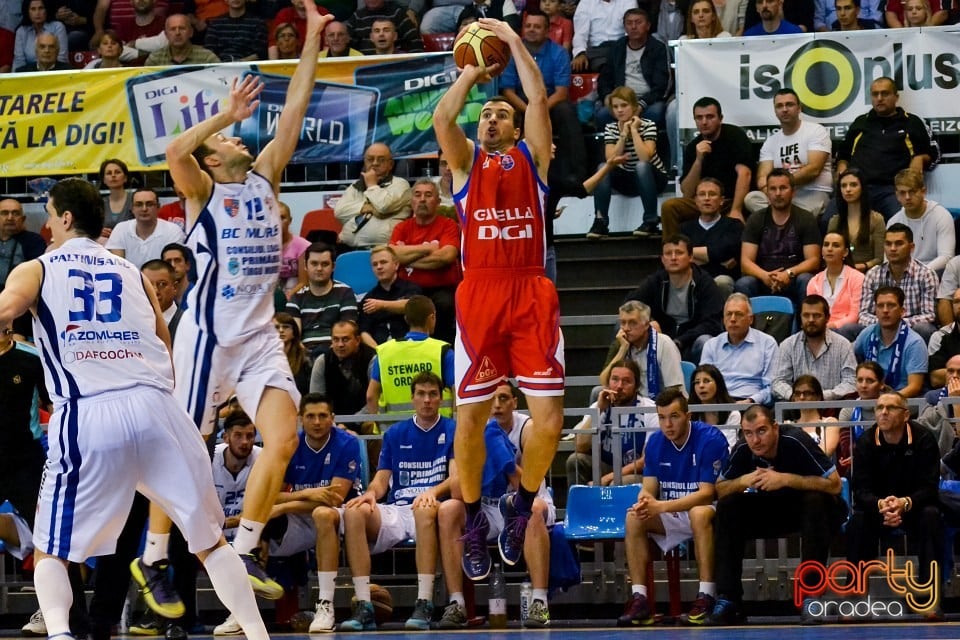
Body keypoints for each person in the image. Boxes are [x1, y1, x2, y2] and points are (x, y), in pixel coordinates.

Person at [0, 177, 272, 640]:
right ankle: (256, 633)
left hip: (89, 411)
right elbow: (165, 345)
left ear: (65, 218)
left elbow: (5, 313)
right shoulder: (133, 272)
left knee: (51, 547)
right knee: (211, 541)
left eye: (47, 214)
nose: (44, 224)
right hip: (158, 407)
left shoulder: (36, 268)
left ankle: (61, 635)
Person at [133, 0, 332, 607]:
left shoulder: (264, 176)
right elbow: (174, 153)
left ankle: (244, 548)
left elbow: (295, 109)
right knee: (186, 449)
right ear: (215, 159)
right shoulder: (202, 191)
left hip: (259, 338)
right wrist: (220, 114)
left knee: (285, 439)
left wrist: (313, 41)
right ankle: (155, 558)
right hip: (208, 337)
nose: (237, 137)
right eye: (224, 139)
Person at [434, 16, 566, 577]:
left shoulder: (532, 161)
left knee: (551, 421)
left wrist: (512, 41)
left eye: (500, 114)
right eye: (486, 114)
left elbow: (538, 97)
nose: (490, 118)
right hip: (481, 295)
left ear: (516, 129)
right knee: (469, 419)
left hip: (530, 289)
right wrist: (469, 73)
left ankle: (519, 502)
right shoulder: (465, 164)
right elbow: (443, 118)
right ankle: (469, 519)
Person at [708, 405, 846, 625]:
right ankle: (729, 598)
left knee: (816, 501)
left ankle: (811, 595)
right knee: (728, 505)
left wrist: (785, 479)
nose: (755, 439)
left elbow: (834, 485)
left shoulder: (796, 440)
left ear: (775, 427)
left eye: (761, 431)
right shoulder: (744, 448)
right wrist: (743, 481)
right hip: (769, 510)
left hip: (806, 510)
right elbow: (720, 488)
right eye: (749, 433)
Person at [339, 371, 455, 631]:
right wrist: (369, 493)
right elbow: (382, 480)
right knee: (354, 512)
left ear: (441, 399)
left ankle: (424, 602)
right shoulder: (395, 434)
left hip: (431, 507)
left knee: (424, 509)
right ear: (412, 398)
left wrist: (433, 492)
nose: (427, 400)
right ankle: (364, 606)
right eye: (421, 394)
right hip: (398, 508)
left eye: (433, 394)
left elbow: (456, 478)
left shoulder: (452, 429)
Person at [619, 389, 730, 627]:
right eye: (661, 417)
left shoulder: (710, 439)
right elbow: (648, 488)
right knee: (633, 517)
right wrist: (644, 502)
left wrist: (660, 506)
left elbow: (707, 493)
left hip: (711, 511)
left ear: (688, 416)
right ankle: (640, 599)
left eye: (674, 416)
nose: (667, 424)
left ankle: (707, 595)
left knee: (698, 513)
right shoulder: (656, 441)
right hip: (672, 510)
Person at [258, 394, 361, 633]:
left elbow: (334, 498)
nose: (317, 422)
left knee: (323, 513)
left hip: (342, 516)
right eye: (310, 416)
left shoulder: (347, 443)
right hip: (301, 518)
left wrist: (285, 505)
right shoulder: (290, 445)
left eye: (323, 416)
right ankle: (239, 610)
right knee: (256, 524)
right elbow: (268, 495)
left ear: (332, 419)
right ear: (300, 419)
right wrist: (309, 494)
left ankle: (325, 605)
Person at [848, 391, 942, 593]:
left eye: (890, 408)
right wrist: (881, 505)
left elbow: (930, 487)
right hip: (878, 510)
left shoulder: (924, 439)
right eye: (879, 408)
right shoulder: (865, 441)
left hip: (914, 508)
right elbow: (860, 489)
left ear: (905, 415)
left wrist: (904, 503)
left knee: (931, 516)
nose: (883, 413)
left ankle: (930, 596)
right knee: (858, 521)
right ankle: (853, 595)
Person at [437, 397, 519, 624]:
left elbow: (523, 486)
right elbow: (456, 490)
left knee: (533, 509)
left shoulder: (520, 428)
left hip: (510, 505)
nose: (496, 405)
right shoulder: (461, 434)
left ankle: (537, 602)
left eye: (502, 399)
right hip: (479, 508)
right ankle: (456, 603)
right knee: (448, 509)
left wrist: (505, 460)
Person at [499, 9, 586, 214]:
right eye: (528, 26)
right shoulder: (512, 53)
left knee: (566, 111)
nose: (531, 30)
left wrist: (539, 109)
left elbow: (562, 92)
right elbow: (508, 91)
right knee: (502, 110)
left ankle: (577, 174)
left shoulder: (559, 53)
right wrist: (530, 110)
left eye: (537, 27)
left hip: (550, 104)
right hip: (520, 103)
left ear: (548, 31)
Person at [835, 77, 934, 219]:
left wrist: (920, 158)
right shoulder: (861, 122)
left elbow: (932, 154)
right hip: (859, 187)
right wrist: (842, 170)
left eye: (885, 94)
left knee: (900, 221)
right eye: (875, 94)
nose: (879, 98)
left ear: (896, 97)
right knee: (829, 219)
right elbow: (843, 155)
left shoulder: (911, 122)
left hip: (893, 189)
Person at [660, 97, 753, 238]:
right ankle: (674, 253)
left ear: (720, 118)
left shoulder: (735, 136)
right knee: (669, 207)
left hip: (729, 200)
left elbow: (744, 174)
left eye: (709, 117)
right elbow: (687, 192)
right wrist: (698, 160)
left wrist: (736, 210)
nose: (704, 122)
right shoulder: (692, 147)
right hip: (703, 201)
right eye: (699, 118)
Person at [623, 234, 724, 363]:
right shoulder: (656, 280)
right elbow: (630, 304)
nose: (673, 258)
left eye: (679, 253)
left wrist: (680, 341)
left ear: (691, 257)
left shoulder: (704, 283)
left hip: (691, 342)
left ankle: (700, 381)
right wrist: (648, 321)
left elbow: (712, 324)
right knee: (624, 326)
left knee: (706, 341)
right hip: (661, 341)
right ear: (662, 259)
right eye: (668, 254)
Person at [585, 86, 668, 239]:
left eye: (624, 105)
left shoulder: (648, 125)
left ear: (634, 106)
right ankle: (600, 221)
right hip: (627, 178)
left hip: (653, 178)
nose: (620, 110)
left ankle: (650, 220)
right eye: (615, 107)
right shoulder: (611, 128)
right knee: (603, 167)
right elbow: (611, 160)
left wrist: (635, 131)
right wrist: (623, 134)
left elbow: (644, 157)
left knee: (641, 166)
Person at [388, 179, 460, 344]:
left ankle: (442, 352)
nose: (422, 199)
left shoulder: (448, 225)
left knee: (443, 305)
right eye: (417, 195)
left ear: (438, 201)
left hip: (441, 289)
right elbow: (391, 257)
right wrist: (428, 249)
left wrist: (406, 258)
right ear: (411, 201)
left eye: (428, 195)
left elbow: (445, 257)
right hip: (406, 287)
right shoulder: (402, 228)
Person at [736, 169, 822, 306]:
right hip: (763, 278)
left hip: (793, 279)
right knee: (744, 283)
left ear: (793, 192)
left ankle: (803, 325)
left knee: (806, 280)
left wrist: (789, 273)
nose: (777, 193)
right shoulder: (756, 219)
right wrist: (765, 276)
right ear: (767, 192)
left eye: (783, 188)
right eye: (773, 189)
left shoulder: (806, 218)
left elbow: (813, 260)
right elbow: (745, 262)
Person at [567, 359, 657, 487]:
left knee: (618, 482)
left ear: (636, 385)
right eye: (615, 379)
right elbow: (580, 446)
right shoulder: (598, 406)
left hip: (637, 472)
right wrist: (599, 410)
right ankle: (581, 505)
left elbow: (646, 461)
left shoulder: (649, 409)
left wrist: (607, 478)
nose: (619, 386)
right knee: (575, 461)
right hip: (606, 466)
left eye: (626, 381)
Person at [744, 89, 832, 218]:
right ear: (775, 111)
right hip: (780, 195)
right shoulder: (771, 141)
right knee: (751, 199)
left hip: (812, 192)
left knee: (803, 215)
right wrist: (772, 192)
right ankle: (785, 218)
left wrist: (781, 185)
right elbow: (762, 177)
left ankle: (781, 218)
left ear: (799, 108)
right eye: (779, 106)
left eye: (789, 104)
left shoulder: (816, 131)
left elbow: (814, 169)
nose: (784, 109)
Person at [366, 294, 455, 416]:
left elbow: (371, 396)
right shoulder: (443, 351)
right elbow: (458, 392)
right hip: (437, 429)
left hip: (393, 430)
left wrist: (376, 424)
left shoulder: (384, 352)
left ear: (406, 319)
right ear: (432, 317)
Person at [848, 224, 938, 343]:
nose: (893, 248)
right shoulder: (873, 274)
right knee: (848, 329)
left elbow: (929, 315)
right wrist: (885, 324)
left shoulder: (926, 274)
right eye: (888, 244)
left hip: (912, 330)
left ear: (911, 247)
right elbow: (864, 314)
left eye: (899, 243)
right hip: (879, 327)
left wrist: (896, 324)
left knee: (924, 329)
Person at [771, 294, 857, 401]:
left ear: (827, 318)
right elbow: (778, 381)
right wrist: (795, 396)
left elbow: (851, 382)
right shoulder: (788, 345)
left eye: (816, 315)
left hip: (832, 406)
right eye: (806, 315)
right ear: (800, 317)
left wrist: (822, 397)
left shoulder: (843, 345)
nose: (811, 320)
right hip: (797, 407)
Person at [597, 9, 670, 130]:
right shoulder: (617, 48)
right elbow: (604, 79)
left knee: (655, 114)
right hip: (621, 99)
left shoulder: (658, 48)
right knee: (602, 115)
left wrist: (641, 104)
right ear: (624, 27)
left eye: (638, 22)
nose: (633, 27)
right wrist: (607, 96)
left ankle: (649, 148)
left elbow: (661, 86)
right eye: (629, 23)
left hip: (648, 101)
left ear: (648, 26)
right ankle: (612, 148)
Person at [700, 293, 779, 405]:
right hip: (719, 405)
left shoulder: (767, 343)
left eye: (738, 314)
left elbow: (771, 387)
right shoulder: (711, 345)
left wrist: (751, 401)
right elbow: (703, 382)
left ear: (750, 319)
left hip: (752, 404)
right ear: (723, 319)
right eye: (729, 314)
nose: (732, 319)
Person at [286, 242, 359, 357]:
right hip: (305, 355)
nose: (319, 268)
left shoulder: (345, 292)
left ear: (333, 267)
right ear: (305, 265)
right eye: (314, 264)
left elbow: (348, 331)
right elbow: (295, 336)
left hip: (336, 353)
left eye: (325, 264)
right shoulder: (296, 298)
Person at [853, 286, 928, 398]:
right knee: (846, 412)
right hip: (869, 397)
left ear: (902, 311)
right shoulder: (867, 333)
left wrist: (886, 401)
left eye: (891, 305)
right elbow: (850, 358)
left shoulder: (915, 343)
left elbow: (914, 387)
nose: (885, 310)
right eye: (880, 306)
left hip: (902, 400)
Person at [601, 299, 686, 398]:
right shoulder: (621, 343)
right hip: (634, 403)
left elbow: (674, 388)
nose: (626, 328)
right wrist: (623, 349)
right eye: (623, 323)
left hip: (663, 403)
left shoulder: (664, 343)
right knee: (598, 393)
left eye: (632, 323)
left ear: (646, 325)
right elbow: (604, 381)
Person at [334, 142, 412, 250]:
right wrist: (367, 207)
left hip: (386, 250)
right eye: (370, 159)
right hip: (349, 248)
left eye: (381, 160)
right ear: (365, 162)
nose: (375, 163)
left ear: (391, 165)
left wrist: (372, 185)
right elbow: (339, 212)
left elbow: (384, 206)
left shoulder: (400, 184)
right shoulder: (356, 186)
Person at [680, 178, 744, 299]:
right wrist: (717, 259)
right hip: (694, 279)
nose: (707, 198)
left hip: (723, 280)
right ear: (696, 200)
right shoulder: (685, 228)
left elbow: (724, 251)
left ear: (721, 200)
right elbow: (680, 258)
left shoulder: (734, 225)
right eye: (702, 194)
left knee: (722, 282)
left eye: (712, 194)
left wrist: (691, 254)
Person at [887, 168, 955, 274]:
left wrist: (919, 273)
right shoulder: (893, 221)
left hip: (935, 272)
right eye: (902, 193)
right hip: (903, 273)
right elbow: (888, 259)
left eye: (912, 192)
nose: (908, 197)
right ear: (897, 196)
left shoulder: (942, 216)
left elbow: (946, 257)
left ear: (923, 191)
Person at [0, 198, 45, 338]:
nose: (10, 218)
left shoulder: (34, 241)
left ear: (23, 218)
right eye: (4, 213)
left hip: (21, 302)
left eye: (15, 213)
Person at [106, 188, 185, 268]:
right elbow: (118, 267)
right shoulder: (120, 229)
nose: (144, 209)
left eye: (149, 204)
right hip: (129, 279)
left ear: (158, 207)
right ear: (132, 209)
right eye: (139, 204)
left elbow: (173, 268)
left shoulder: (173, 231)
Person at [310, 319, 375, 415]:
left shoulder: (372, 360)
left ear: (357, 340)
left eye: (345, 339)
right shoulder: (322, 361)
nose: (340, 344)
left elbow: (375, 400)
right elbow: (316, 402)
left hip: (365, 420)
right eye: (336, 339)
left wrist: (352, 422)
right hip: (331, 423)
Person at [359, 244, 420, 346]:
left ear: (396, 265)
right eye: (375, 264)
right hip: (379, 350)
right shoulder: (369, 298)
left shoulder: (411, 288)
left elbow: (412, 306)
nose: (379, 267)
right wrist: (379, 351)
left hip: (409, 347)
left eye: (383, 262)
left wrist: (382, 305)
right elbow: (364, 332)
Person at [826, 168, 885, 273]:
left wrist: (862, 266)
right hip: (841, 273)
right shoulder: (834, 221)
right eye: (843, 186)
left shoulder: (876, 219)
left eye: (853, 185)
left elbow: (879, 259)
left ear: (862, 188)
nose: (848, 189)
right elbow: (829, 254)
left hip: (868, 274)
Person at [836, 360, 887, 476]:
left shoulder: (891, 408)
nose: (863, 385)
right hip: (860, 465)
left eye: (870, 381)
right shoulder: (847, 411)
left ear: (881, 383)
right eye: (860, 380)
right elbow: (846, 448)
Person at [806, 231, 865, 330]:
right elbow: (811, 313)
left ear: (845, 252)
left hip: (845, 331)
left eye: (835, 245)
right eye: (826, 245)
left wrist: (831, 326)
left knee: (847, 329)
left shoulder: (858, 278)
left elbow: (855, 316)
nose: (829, 249)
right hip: (819, 330)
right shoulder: (814, 282)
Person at [570, 0, 637, 71]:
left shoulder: (629, 1)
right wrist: (580, 53)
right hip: (595, 51)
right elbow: (580, 33)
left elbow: (631, 32)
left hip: (621, 48)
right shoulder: (586, 2)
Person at [784, 375, 840, 457]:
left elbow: (825, 453)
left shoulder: (830, 422)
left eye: (807, 393)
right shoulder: (787, 425)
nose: (801, 397)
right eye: (797, 393)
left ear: (818, 397)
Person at [343, 0, 422, 55]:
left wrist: (416, 66)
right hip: (364, 69)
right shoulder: (356, 17)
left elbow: (415, 41)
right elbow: (346, 46)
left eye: (386, 30)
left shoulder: (398, 14)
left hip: (395, 66)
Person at [689, 363, 740, 446]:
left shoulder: (732, 414)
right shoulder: (689, 414)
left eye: (706, 381)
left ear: (718, 384)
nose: (701, 386)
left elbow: (731, 446)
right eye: (697, 382)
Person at [12, 0, 67, 72]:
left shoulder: (58, 27)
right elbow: (19, 61)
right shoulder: (21, 31)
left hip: (56, 73)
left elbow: (61, 58)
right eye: (33, 9)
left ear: (46, 9)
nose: (37, 13)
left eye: (41, 8)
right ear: (27, 11)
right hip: (29, 75)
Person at [144, 13, 219, 65]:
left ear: (191, 33)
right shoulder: (155, 59)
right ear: (166, 35)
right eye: (173, 29)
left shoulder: (207, 58)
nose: (177, 33)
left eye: (182, 28)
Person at [274, 312, 312, 395]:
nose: (281, 330)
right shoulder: (264, 359)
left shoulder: (305, 358)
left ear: (294, 332)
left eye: (286, 327)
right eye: (276, 327)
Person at [929, 288, 960, 388]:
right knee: (931, 397)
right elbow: (935, 378)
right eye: (956, 302)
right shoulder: (943, 337)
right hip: (950, 392)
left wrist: (952, 372)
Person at [99, 158, 134, 241]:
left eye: (117, 172)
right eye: (109, 173)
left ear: (125, 178)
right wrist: (98, 231)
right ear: (104, 180)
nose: (113, 175)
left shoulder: (135, 200)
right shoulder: (99, 203)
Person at [279, 202, 309, 297]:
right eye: (274, 218)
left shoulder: (302, 245)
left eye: (282, 218)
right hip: (274, 288)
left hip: (295, 290)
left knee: (291, 282)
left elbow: (304, 282)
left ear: (290, 220)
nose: (278, 222)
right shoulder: (263, 246)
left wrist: (287, 298)